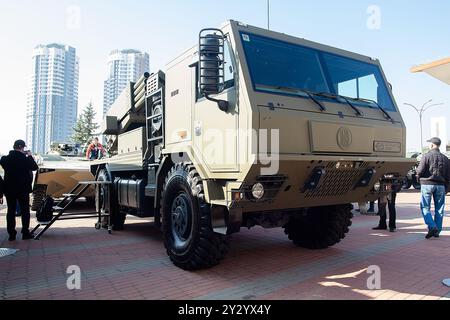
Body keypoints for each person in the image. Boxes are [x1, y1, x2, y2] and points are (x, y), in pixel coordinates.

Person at [0, 140, 39, 241]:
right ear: (22, 147)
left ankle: (11, 235)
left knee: (11, 211)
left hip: (9, 189)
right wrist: (29, 156)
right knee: (25, 211)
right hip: (23, 189)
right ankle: (25, 233)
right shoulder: (25, 159)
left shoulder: (4, 159)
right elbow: (35, 167)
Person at [416, 137, 450, 239]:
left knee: (425, 207)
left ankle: (432, 226)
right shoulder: (445, 158)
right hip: (440, 186)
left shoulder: (426, 156)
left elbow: (419, 171)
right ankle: (436, 231)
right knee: (439, 209)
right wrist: (447, 188)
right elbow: (449, 176)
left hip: (427, 184)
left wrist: (418, 178)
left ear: (432, 145)